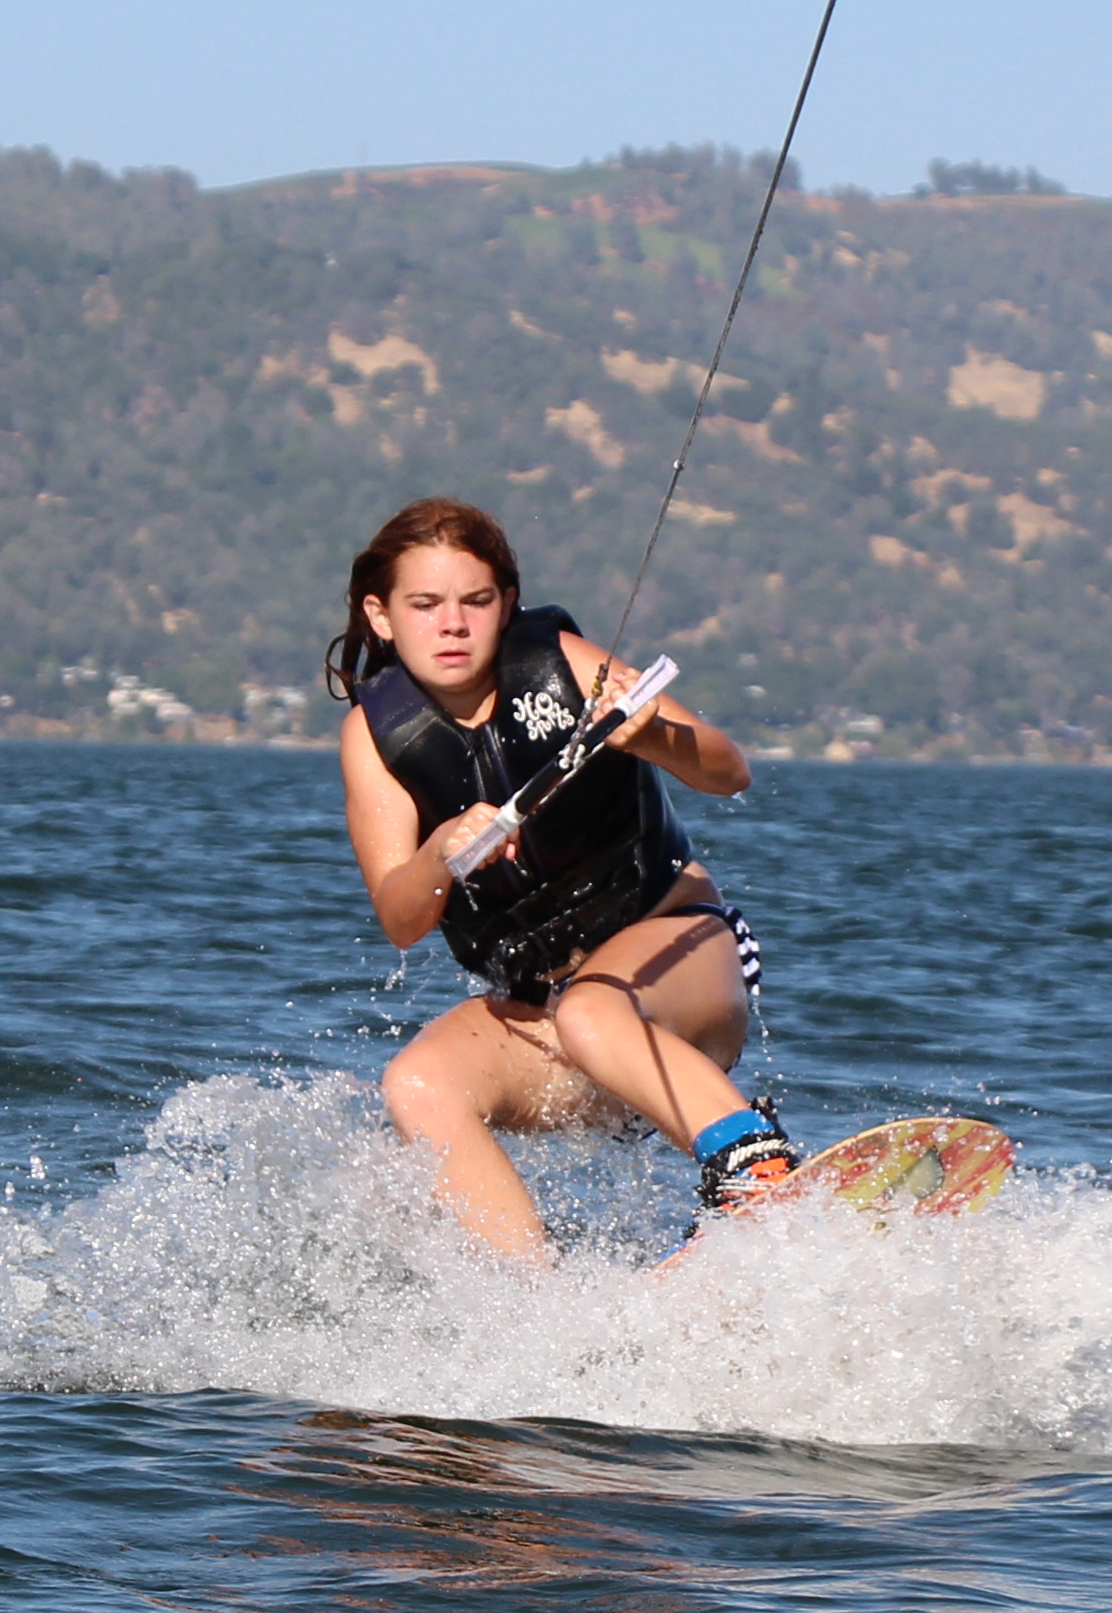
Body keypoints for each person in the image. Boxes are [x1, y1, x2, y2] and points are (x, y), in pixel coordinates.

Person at [329, 496, 792, 1256]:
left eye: (476, 601)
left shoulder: (563, 663)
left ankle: (758, 1172)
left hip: (682, 962)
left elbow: (728, 772)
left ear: (507, 603)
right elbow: (401, 920)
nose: (453, 624)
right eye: (425, 604)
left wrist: (657, 737)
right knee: (418, 1082)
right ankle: (534, 1297)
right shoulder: (375, 739)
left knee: (592, 1012)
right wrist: (438, 851)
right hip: (551, 1019)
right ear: (381, 616)